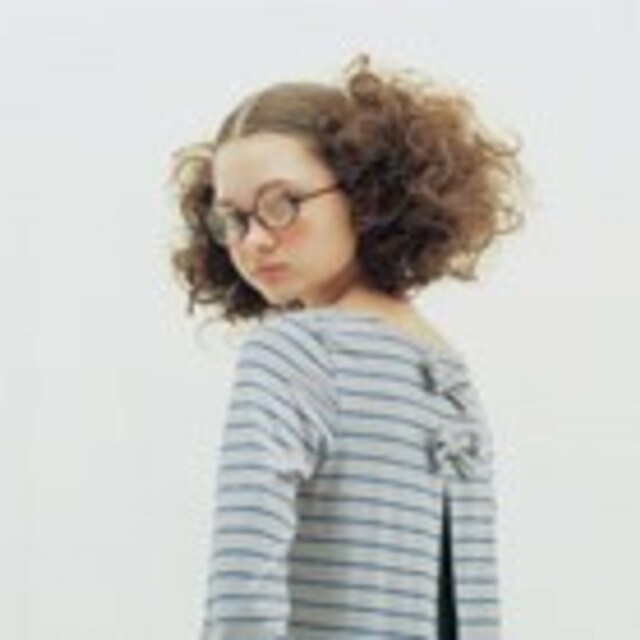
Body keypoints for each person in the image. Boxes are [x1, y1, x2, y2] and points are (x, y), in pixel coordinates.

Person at [168, 53, 526, 640]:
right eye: (232, 219)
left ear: (366, 194)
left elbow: (243, 581)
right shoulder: (446, 370)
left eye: (281, 204)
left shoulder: (295, 351)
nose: (254, 241)